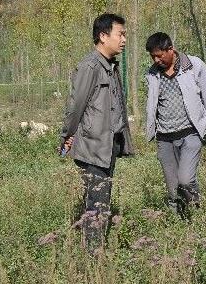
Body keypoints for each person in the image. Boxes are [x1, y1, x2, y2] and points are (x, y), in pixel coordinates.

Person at [59, 13, 134, 251]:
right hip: (92, 146)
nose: (124, 40)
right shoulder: (90, 66)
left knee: (102, 199)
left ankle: (96, 247)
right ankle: (93, 254)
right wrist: (66, 137)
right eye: (120, 34)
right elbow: (75, 107)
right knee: (97, 203)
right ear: (103, 36)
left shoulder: (110, 66)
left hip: (108, 145)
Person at [145, 32, 206, 216]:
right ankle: (178, 221)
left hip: (190, 133)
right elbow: (152, 103)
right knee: (173, 187)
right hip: (165, 138)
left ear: (171, 49)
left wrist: (203, 123)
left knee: (185, 179)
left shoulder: (193, 65)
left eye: (159, 55)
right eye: (153, 56)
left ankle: (196, 212)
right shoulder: (152, 74)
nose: (156, 60)